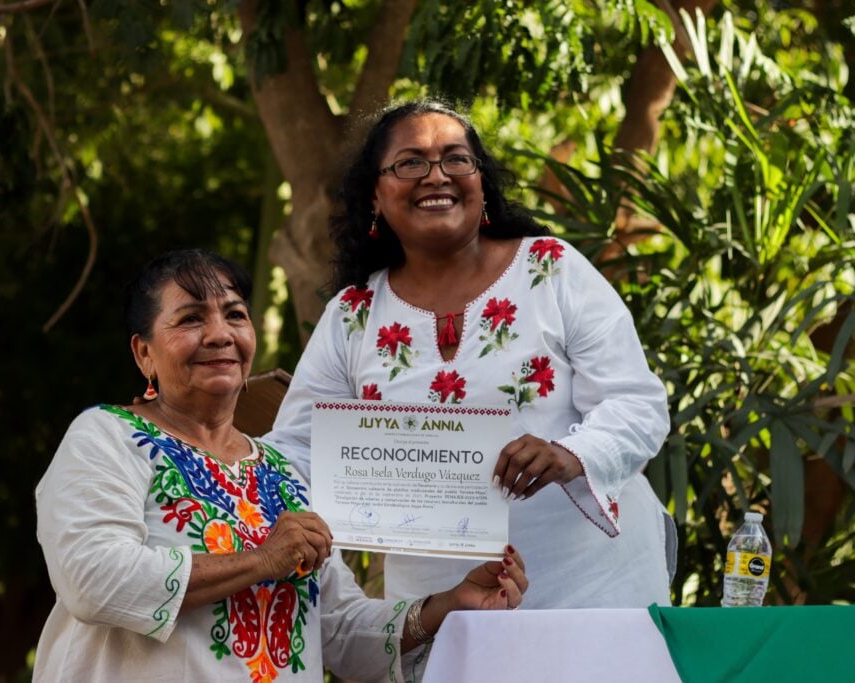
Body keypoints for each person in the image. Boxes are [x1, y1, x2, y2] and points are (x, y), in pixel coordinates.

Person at [32, 249, 528, 682]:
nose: (220, 335)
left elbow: (337, 630)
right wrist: (262, 560)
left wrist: (448, 605)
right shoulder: (108, 437)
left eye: (235, 315)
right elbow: (93, 578)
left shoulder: (284, 470)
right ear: (144, 353)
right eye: (190, 320)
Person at [264, 100, 675, 609]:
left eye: (456, 160)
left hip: (593, 583)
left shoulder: (552, 270)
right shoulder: (354, 316)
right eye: (410, 163)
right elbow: (300, 452)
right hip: (444, 602)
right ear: (375, 194)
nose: (436, 176)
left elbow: (638, 405)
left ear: (482, 184)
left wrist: (571, 454)